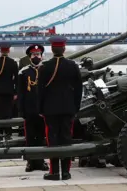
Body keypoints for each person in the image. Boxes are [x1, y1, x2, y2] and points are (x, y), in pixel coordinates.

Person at [39, 36, 82, 181]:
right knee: (66, 138)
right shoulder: (72, 66)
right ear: (64, 49)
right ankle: (66, 172)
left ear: (52, 49)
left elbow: (40, 91)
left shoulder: (45, 67)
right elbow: (78, 90)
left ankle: (54, 172)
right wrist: (75, 107)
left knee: (52, 139)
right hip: (68, 108)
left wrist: (40, 108)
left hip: (50, 109)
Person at [17, 44, 49, 172]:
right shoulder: (23, 72)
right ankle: (30, 162)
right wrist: (21, 110)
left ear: (41, 56)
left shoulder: (46, 70)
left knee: (42, 137)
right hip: (29, 110)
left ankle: (41, 162)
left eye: (38, 54)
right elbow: (20, 93)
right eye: (34, 54)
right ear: (30, 57)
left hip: (43, 110)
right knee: (30, 137)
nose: (36, 56)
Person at [0, 42, 19, 137]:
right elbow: (16, 78)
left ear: (1, 50)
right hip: (9, 90)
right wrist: (16, 92)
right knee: (8, 111)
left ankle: (0, 131)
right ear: (8, 50)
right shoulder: (13, 62)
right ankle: (8, 131)